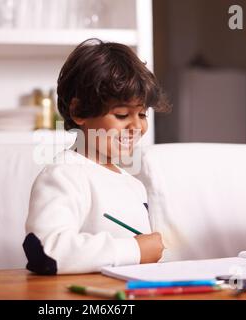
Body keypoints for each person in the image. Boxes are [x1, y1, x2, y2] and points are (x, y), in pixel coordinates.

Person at [23, 38, 170, 275]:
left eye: (142, 114)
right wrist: (135, 250)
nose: (136, 125)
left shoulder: (133, 184)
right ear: (79, 111)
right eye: (122, 114)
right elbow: (45, 251)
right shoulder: (65, 174)